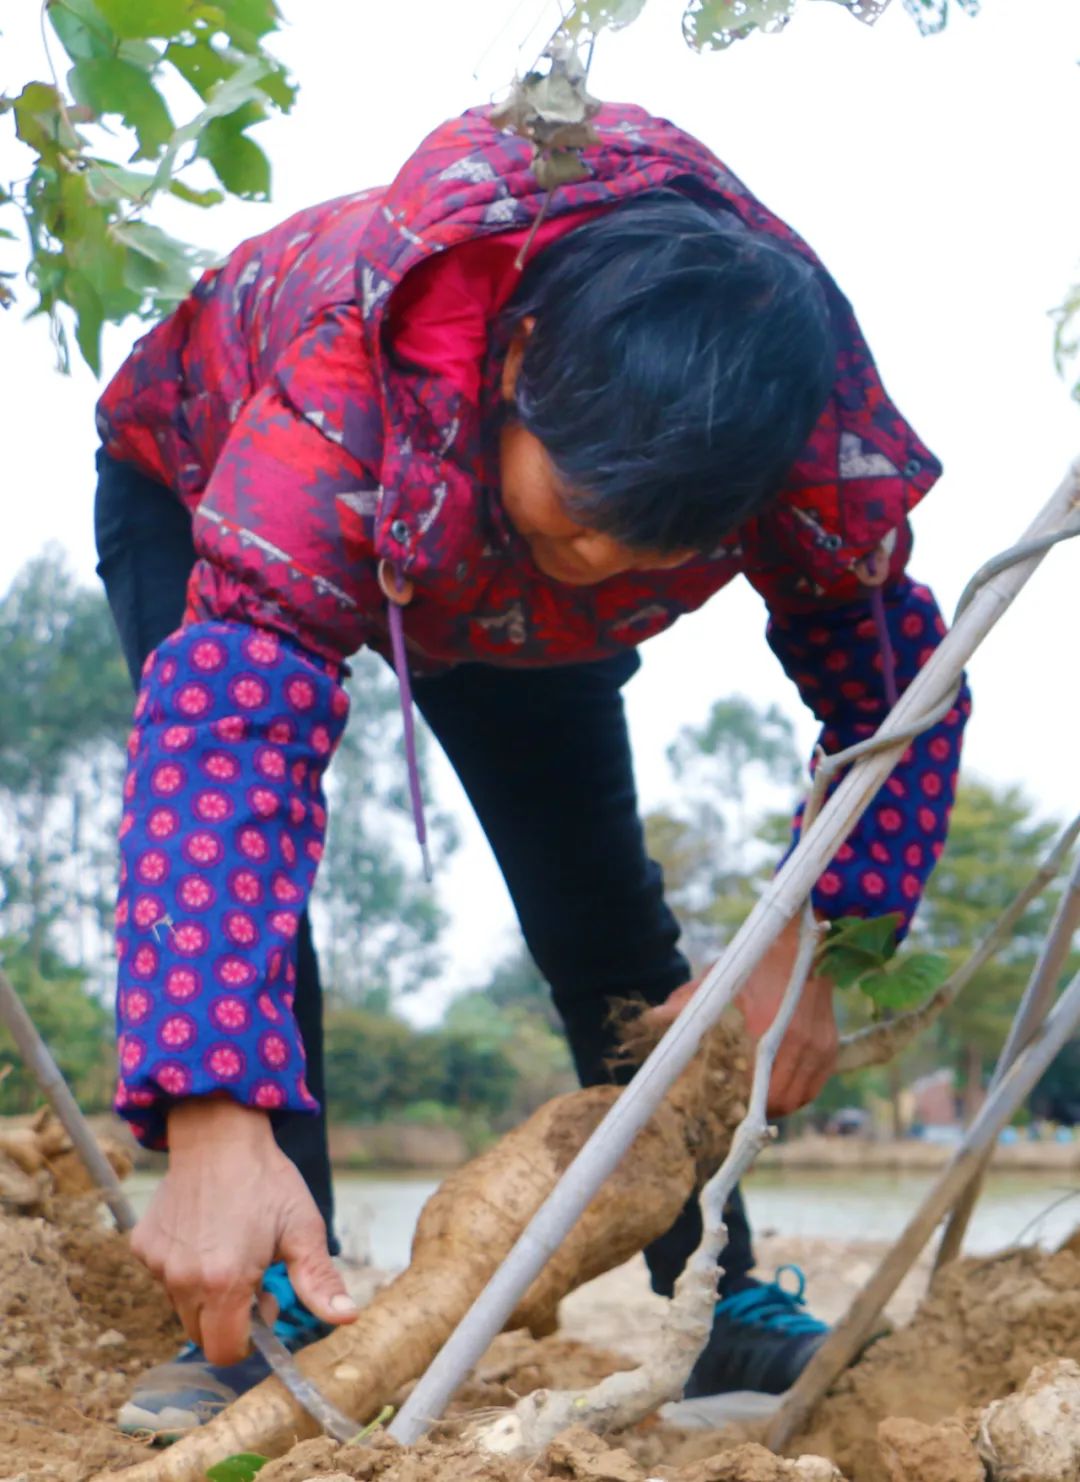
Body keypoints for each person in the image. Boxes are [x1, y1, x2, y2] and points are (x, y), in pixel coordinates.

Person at [93, 101, 970, 1435]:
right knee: (259, 923)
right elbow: (231, 749)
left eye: (662, 540)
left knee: (602, 915)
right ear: (524, 356)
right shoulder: (341, 397)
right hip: (198, 464)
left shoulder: (791, 440)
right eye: (589, 510)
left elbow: (892, 679)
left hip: (479, 558)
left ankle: (716, 1297)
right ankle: (260, 1302)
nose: (610, 562)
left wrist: (822, 928)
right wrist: (210, 1111)